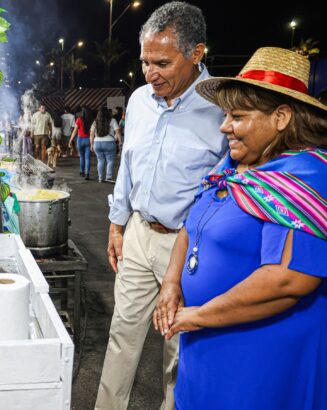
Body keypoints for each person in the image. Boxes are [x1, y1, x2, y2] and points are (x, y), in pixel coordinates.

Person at [153, 47, 327, 410]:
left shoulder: (305, 179)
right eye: (225, 114)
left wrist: (198, 316)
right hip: (205, 344)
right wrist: (171, 284)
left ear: (281, 117)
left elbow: (287, 280)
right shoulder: (237, 167)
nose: (224, 126)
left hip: (257, 361)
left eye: (238, 116)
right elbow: (191, 227)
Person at [96, 2, 228, 410]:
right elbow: (127, 167)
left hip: (188, 248)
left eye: (162, 62)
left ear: (196, 53)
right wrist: (117, 225)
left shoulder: (222, 108)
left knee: (178, 344)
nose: (150, 73)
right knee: (122, 334)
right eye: (144, 62)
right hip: (138, 234)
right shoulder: (138, 100)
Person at [90, 106, 122, 183]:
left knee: (100, 161)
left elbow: (91, 134)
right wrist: (120, 141)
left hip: (97, 143)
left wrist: (91, 144)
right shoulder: (112, 120)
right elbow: (117, 131)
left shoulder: (95, 122)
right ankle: (109, 177)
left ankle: (100, 178)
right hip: (109, 143)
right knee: (110, 160)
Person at [68, 107, 94, 179]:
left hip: (80, 140)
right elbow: (92, 132)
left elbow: (75, 131)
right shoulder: (91, 120)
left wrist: (70, 140)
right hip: (88, 140)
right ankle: (87, 174)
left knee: (82, 157)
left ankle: (82, 172)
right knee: (88, 158)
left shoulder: (79, 119)